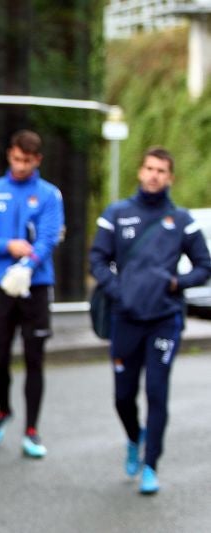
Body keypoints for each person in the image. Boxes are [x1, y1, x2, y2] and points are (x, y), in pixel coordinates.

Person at [88, 147, 210, 495]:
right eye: (150, 168)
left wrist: (176, 283)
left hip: (164, 320)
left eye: (162, 170)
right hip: (126, 317)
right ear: (141, 172)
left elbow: (204, 265)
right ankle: (133, 438)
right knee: (123, 397)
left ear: (170, 178)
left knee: (157, 393)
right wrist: (119, 291)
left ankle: (151, 465)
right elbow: (97, 260)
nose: (155, 175)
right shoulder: (117, 213)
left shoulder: (181, 220)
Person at [0, 129, 64, 459]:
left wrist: (28, 264)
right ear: (10, 154)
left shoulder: (49, 194)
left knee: (35, 358)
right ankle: (3, 409)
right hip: (0, 287)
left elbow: (49, 237)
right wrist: (8, 246)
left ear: (37, 160)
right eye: (17, 159)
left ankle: (32, 429)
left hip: (36, 285)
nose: (21, 166)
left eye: (28, 161)